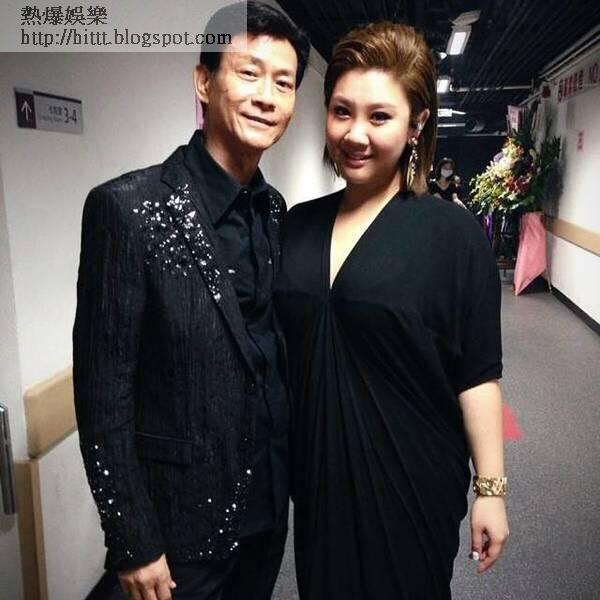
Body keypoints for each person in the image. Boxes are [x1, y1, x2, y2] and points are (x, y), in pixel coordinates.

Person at [73, 3, 309, 599]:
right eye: (249, 73)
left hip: (264, 513)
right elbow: (103, 394)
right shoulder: (129, 209)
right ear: (204, 82)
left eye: (284, 83)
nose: (267, 97)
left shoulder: (274, 212)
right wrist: (132, 538)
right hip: (176, 532)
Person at [275, 22, 509, 600]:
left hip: (409, 479)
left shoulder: (452, 235)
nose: (355, 134)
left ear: (416, 123)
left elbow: (478, 374)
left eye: (379, 116)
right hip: (319, 477)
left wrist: (491, 489)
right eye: (341, 111)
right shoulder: (297, 225)